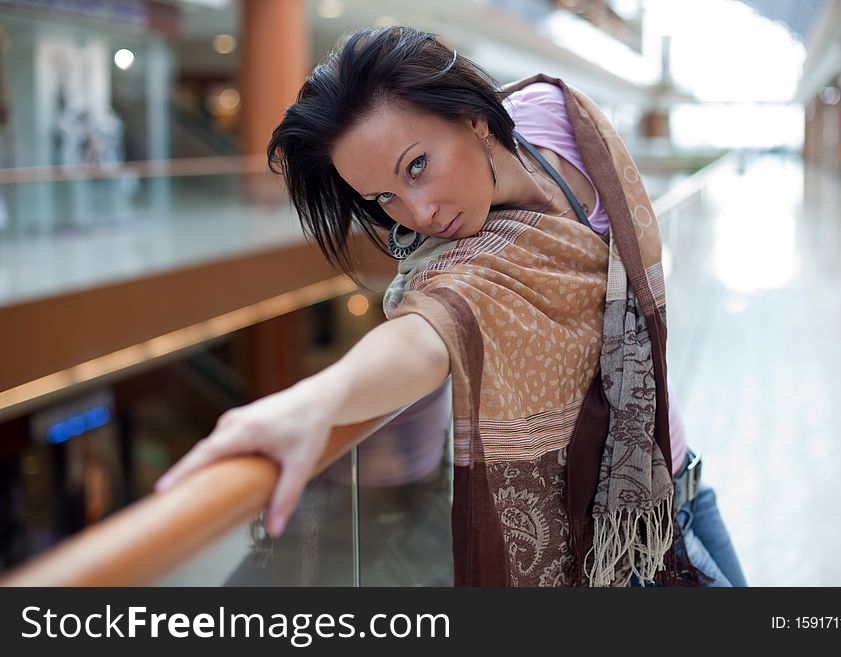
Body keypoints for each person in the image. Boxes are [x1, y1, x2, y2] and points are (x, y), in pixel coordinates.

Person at [157, 26, 744, 587]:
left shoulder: (553, 115)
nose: (418, 213)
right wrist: (316, 401)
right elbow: (425, 333)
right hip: (622, 538)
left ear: (474, 117)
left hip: (679, 474)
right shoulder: (456, 260)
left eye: (417, 166)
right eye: (384, 197)